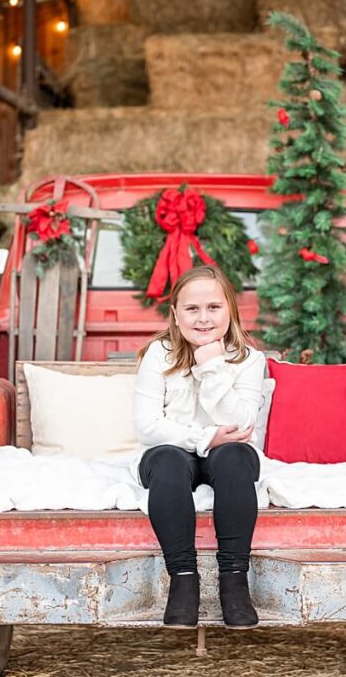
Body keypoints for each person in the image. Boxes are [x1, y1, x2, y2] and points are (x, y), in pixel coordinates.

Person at [133, 265, 266, 629]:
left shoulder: (251, 360)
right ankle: (183, 580)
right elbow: (147, 427)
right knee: (167, 459)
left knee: (237, 455)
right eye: (192, 309)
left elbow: (240, 424)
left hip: (227, 457)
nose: (203, 318)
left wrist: (212, 367)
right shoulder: (158, 355)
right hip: (172, 455)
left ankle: (234, 582)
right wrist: (204, 438)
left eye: (214, 307)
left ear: (230, 311)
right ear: (175, 314)